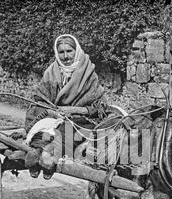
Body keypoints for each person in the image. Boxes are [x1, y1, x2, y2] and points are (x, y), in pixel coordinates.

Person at [23, 34, 109, 178]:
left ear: (76, 51)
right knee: (41, 131)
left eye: (69, 51)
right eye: (61, 52)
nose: (66, 56)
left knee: (65, 133)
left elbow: (100, 106)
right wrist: (54, 113)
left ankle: (46, 157)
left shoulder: (88, 72)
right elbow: (40, 100)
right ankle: (37, 153)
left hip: (81, 120)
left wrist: (73, 110)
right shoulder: (51, 72)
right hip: (55, 116)